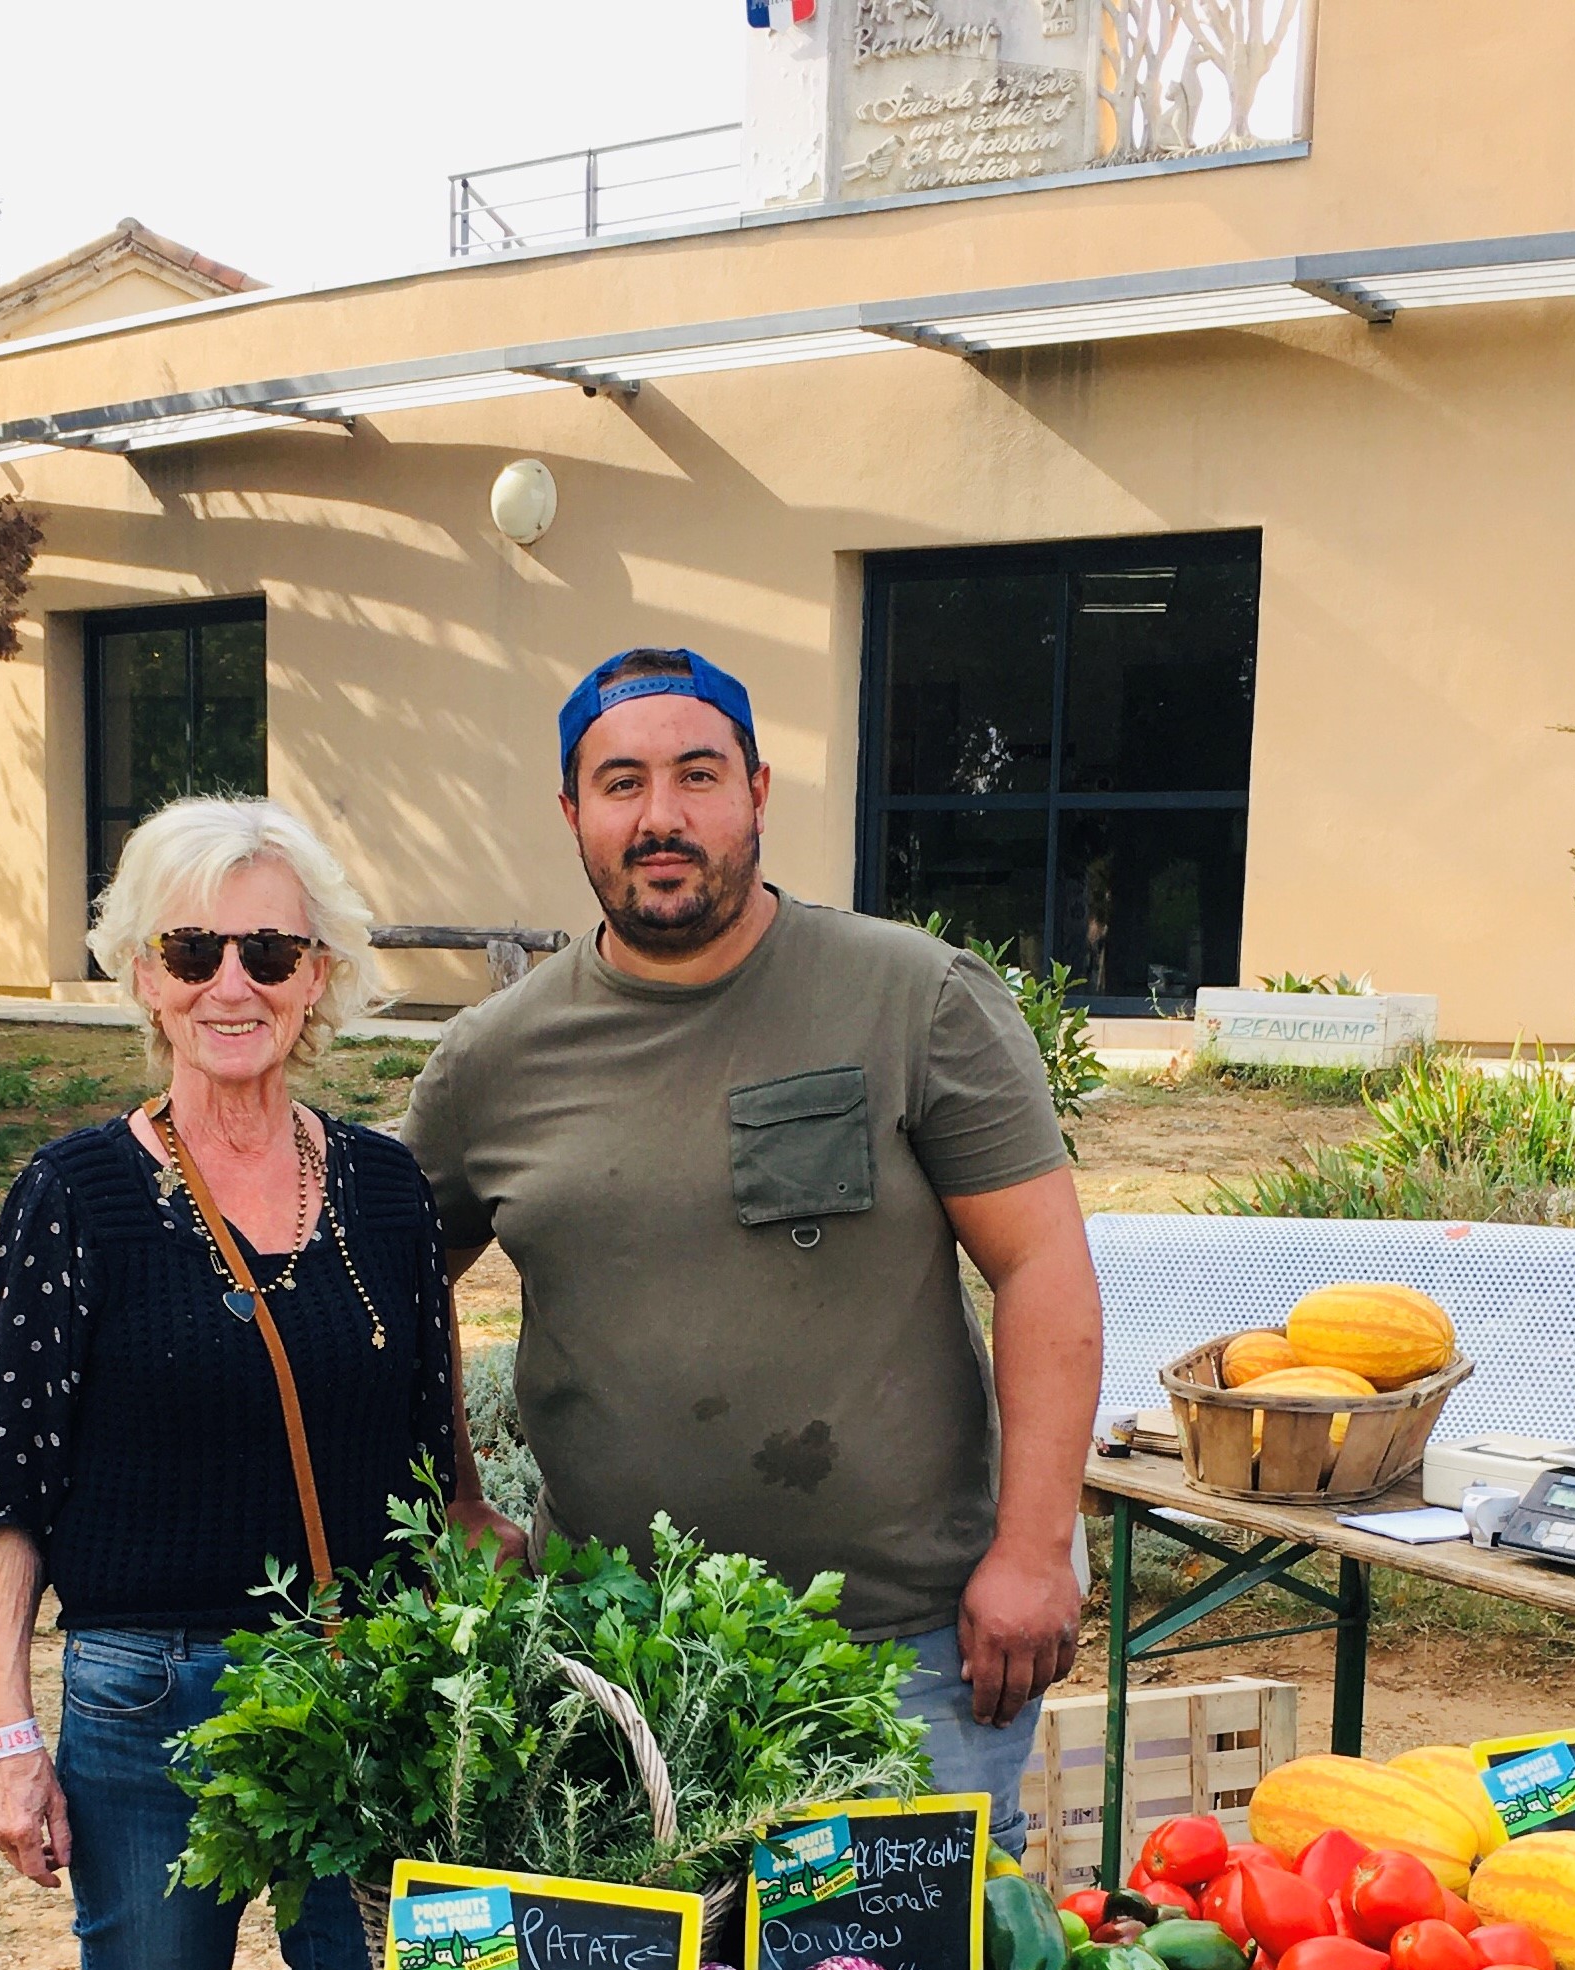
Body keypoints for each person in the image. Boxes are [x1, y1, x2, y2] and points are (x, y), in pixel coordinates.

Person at [401, 646, 1104, 1839]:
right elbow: (390, 1293)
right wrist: (461, 1500)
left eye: (698, 775)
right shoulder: (490, 1061)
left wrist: (1034, 1549)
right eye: (620, 784)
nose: (661, 817)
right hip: (612, 1671)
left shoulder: (914, 998)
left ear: (759, 792)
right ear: (573, 815)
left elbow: (1042, 1268)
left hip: (902, 1655)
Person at [0, 795, 494, 1970]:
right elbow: (8, 1487)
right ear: (146, 976)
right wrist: (5, 1738)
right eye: (194, 952)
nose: (231, 984)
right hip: (146, 1696)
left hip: (364, 1687)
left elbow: (432, 1441)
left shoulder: (384, 1187)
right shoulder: (75, 1195)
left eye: (271, 952)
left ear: (320, 978)